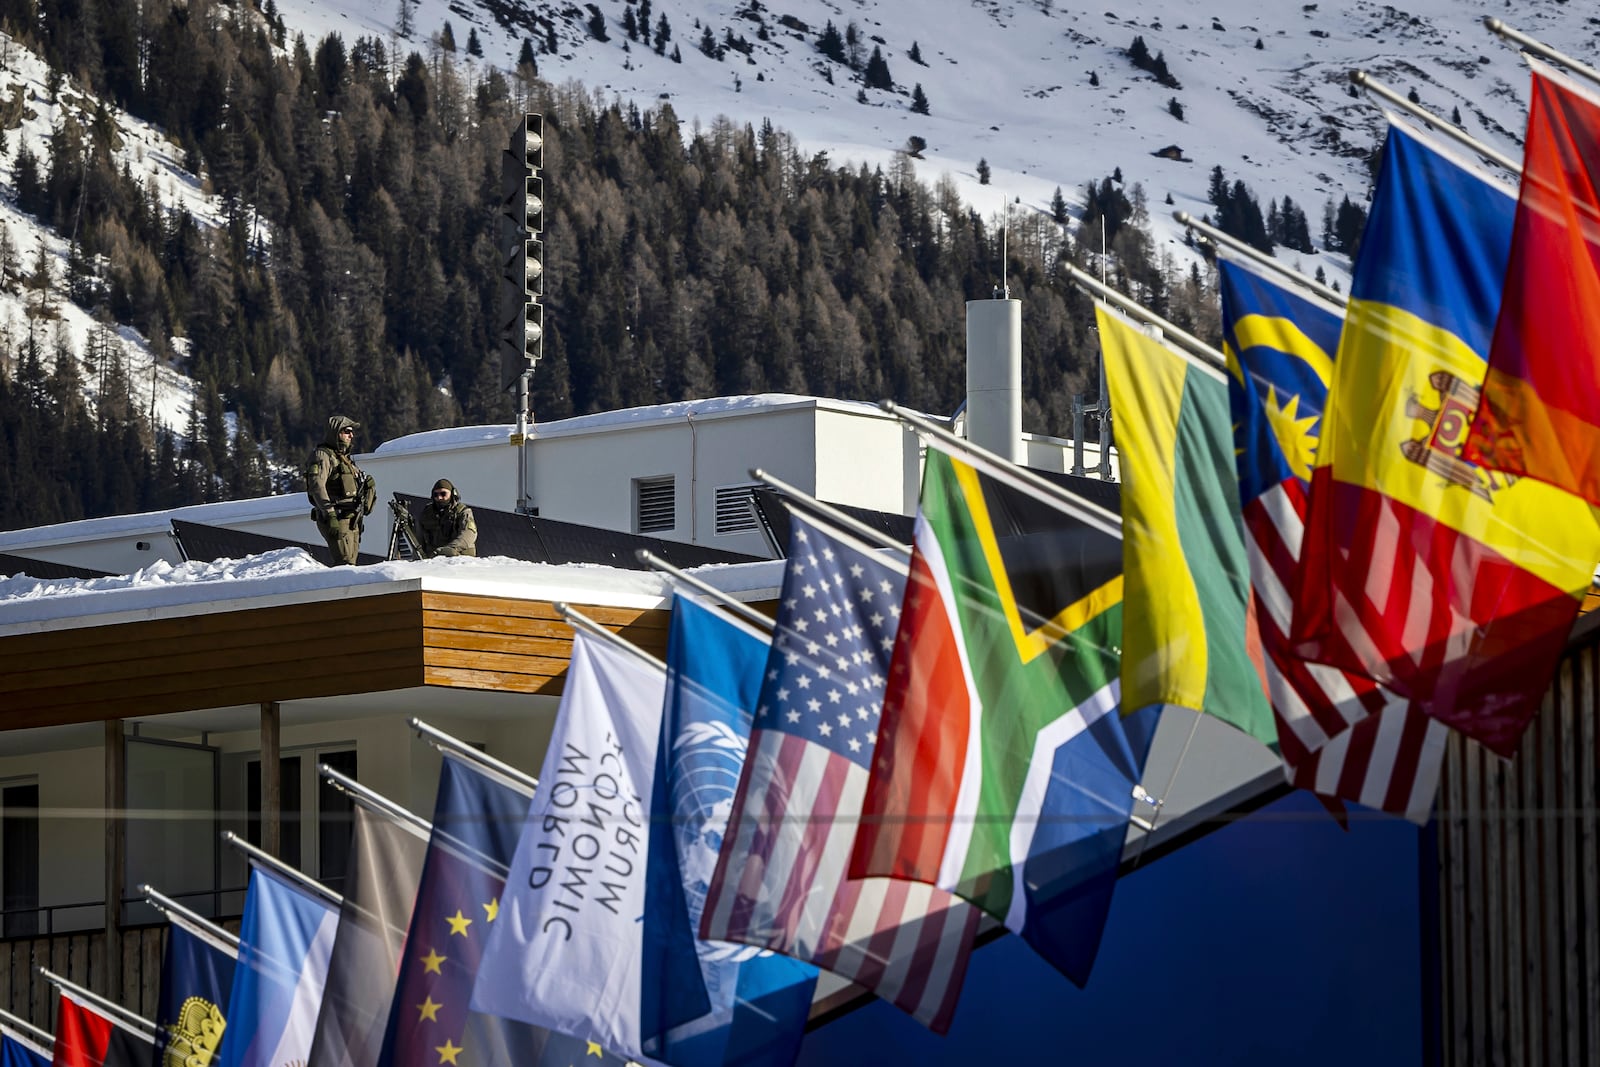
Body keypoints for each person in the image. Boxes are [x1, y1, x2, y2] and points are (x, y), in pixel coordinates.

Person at [304, 414, 376, 565]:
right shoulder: (323, 455)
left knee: (351, 564)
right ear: (336, 433)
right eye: (347, 431)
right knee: (345, 564)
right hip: (338, 518)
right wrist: (329, 514)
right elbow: (317, 485)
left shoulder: (345, 459)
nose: (351, 435)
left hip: (352, 521)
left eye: (351, 432)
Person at [416, 478, 478, 557]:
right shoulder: (427, 514)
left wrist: (449, 549)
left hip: (459, 558)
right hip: (433, 559)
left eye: (443, 494)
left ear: (452, 494)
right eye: (436, 495)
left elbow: (468, 535)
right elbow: (418, 540)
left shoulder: (462, 512)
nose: (439, 497)